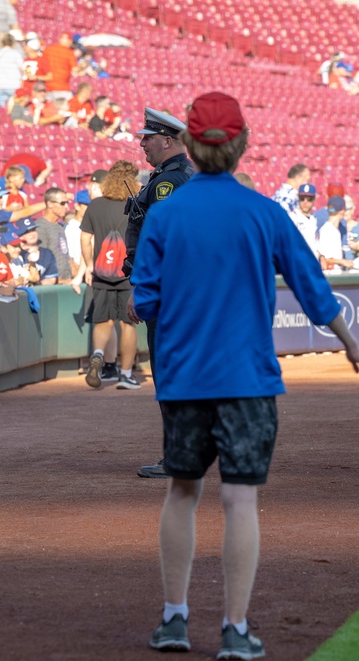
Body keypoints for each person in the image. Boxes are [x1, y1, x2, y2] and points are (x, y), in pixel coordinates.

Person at [132, 91, 359, 661]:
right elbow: (315, 291)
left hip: (185, 379)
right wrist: (352, 344)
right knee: (240, 501)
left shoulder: (165, 211)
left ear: (188, 143)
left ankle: (173, 619)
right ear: (240, 146)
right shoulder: (266, 212)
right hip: (249, 380)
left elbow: (145, 300)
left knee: (182, 490)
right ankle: (235, 629)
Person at [124, 108, 197, 478]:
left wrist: (140, 286)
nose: (142, 143)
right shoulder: (180, 177)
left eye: (147, 138)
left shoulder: (170, 182)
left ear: (167, 140)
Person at [80, 161, 142, 391]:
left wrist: (88, 264)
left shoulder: (95, 205)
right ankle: (126, 375)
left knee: (103, 321)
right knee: (128, 325)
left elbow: (85, 238)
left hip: (101, 273)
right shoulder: (136, 204)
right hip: (129, 274)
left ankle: (98, 355)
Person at [34, 187, 72, 281]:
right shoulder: (41, 227)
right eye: (62, 203)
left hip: (67, 281)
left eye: (67, 203)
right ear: (50, 204)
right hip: (52, 284)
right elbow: (41, 260)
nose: (66, 206)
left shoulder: (60, 226)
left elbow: (63, 254)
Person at [317, 196, 353, 273]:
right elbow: (323, 258)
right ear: (342, 211)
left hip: (335, 272)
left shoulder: (334, 229)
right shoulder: (327, 229)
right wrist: (343, 262)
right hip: (329, 274)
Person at [42, 32, 81, 103]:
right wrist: (82, 66)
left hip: (47, 86)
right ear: (70, 41)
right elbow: (75, 70)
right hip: (62, 88)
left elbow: (41, 64)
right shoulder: (69, 52)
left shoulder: (48, 49)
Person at [0, 34, 25, 107]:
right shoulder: (16, 54)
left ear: (2, 43)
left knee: (2, 109)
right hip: (14, 85)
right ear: (13, 43)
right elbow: (22, 69)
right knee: (14, 108)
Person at [290, 182, 318, 253]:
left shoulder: (314, 219)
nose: (305, 202)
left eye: (309, 199)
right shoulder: (292, 217)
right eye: (302, 198)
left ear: (314, 199)